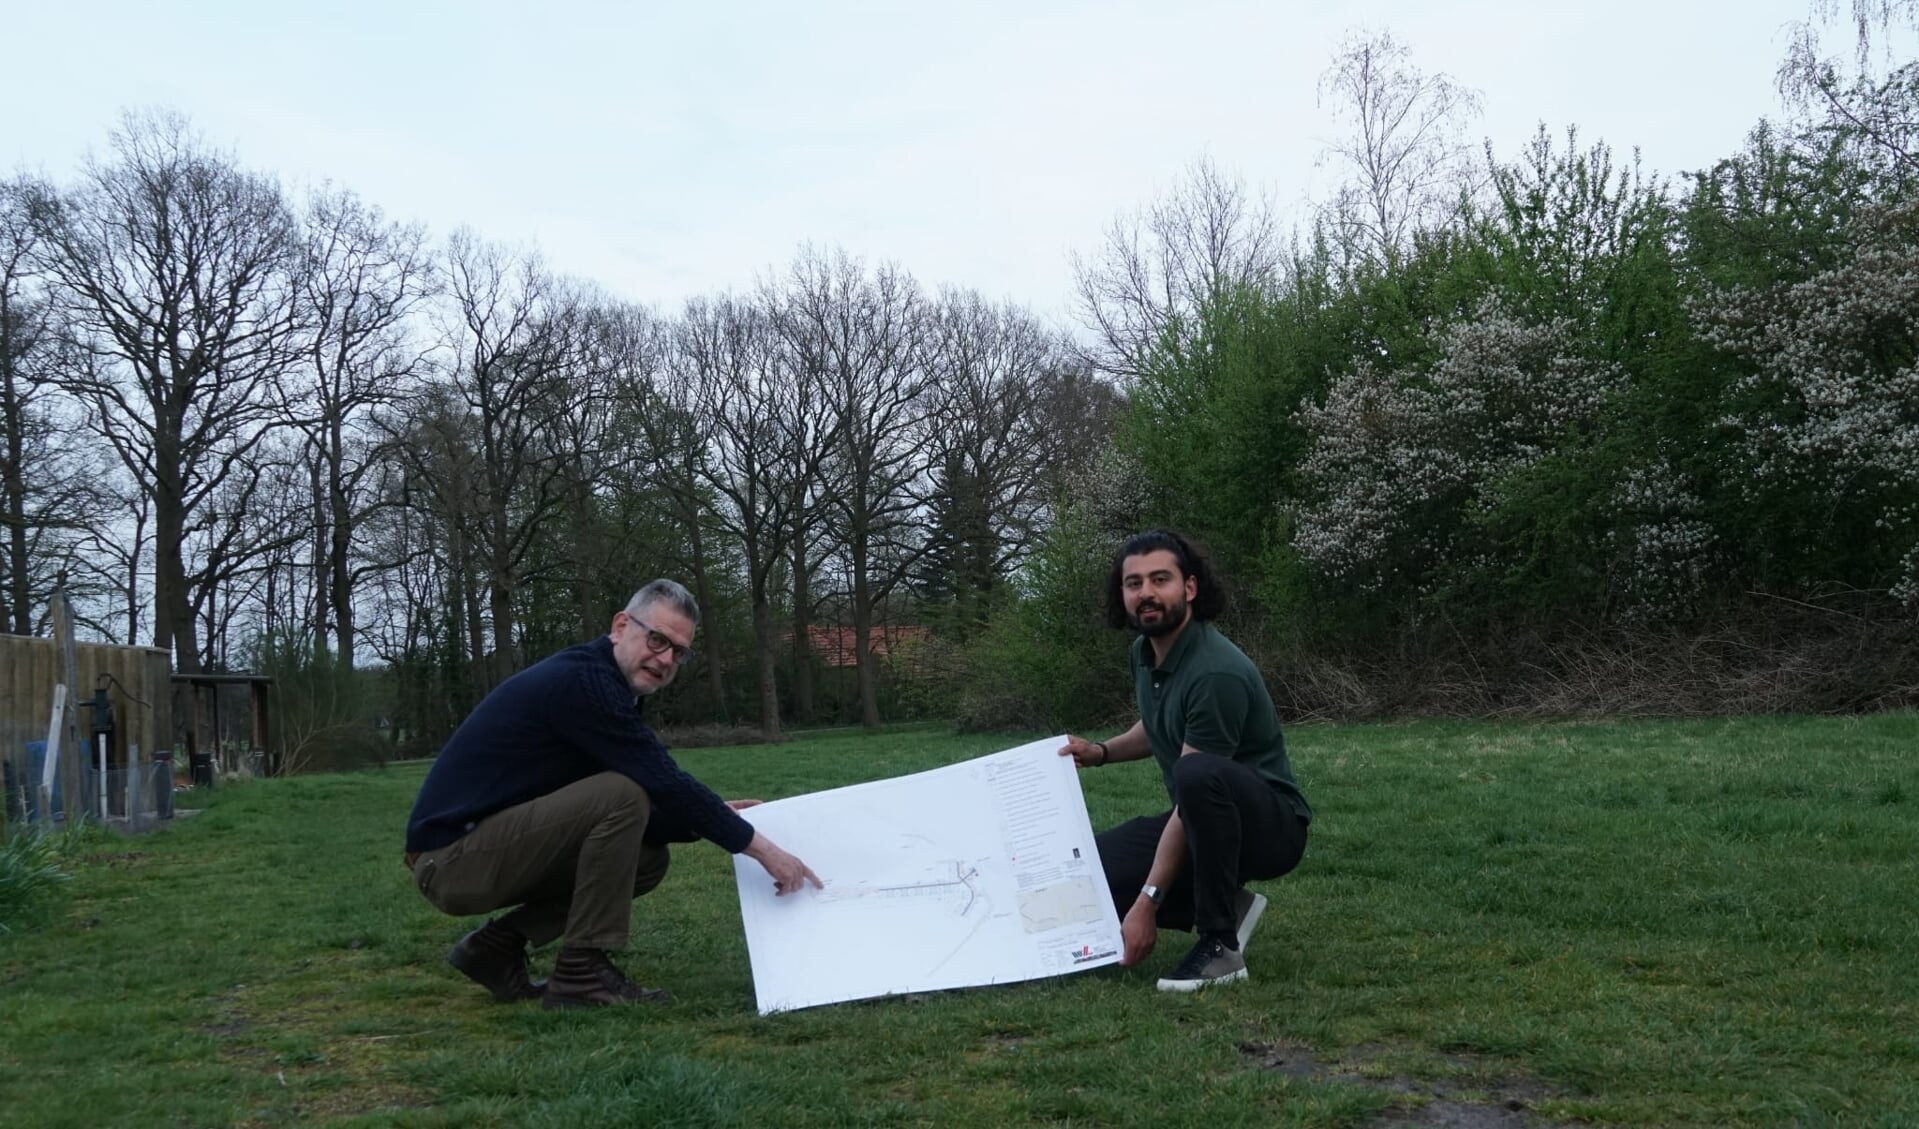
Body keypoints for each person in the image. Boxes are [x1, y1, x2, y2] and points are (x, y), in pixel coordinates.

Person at [403, 579, 820, 1010]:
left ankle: (497, 946)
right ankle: (581, 972)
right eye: (658, 640)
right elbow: (657, 782)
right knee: (621, 793)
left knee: (648, 860)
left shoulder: (609, 687)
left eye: (678, 651)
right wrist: (762, 849)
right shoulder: (583, 683)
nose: (665, 659)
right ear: (621, 625)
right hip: (451, 861)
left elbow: (655, 795)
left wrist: (709, 814)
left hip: (482, 853)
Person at [1060, 530, 1311, 992]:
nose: (1146, 593)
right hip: (1201, 813)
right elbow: (1158, 724)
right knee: (1089, 874)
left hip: (1268, 828)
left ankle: (1220, 946)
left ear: (1189, 588)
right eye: (1133, 583)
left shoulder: (1216, 672)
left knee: (1193, 775)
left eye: (1160, 579)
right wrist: (1100, 753)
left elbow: (1195, 781)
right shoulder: (1145, 653)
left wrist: (1148, 903)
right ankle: (1227, 904)